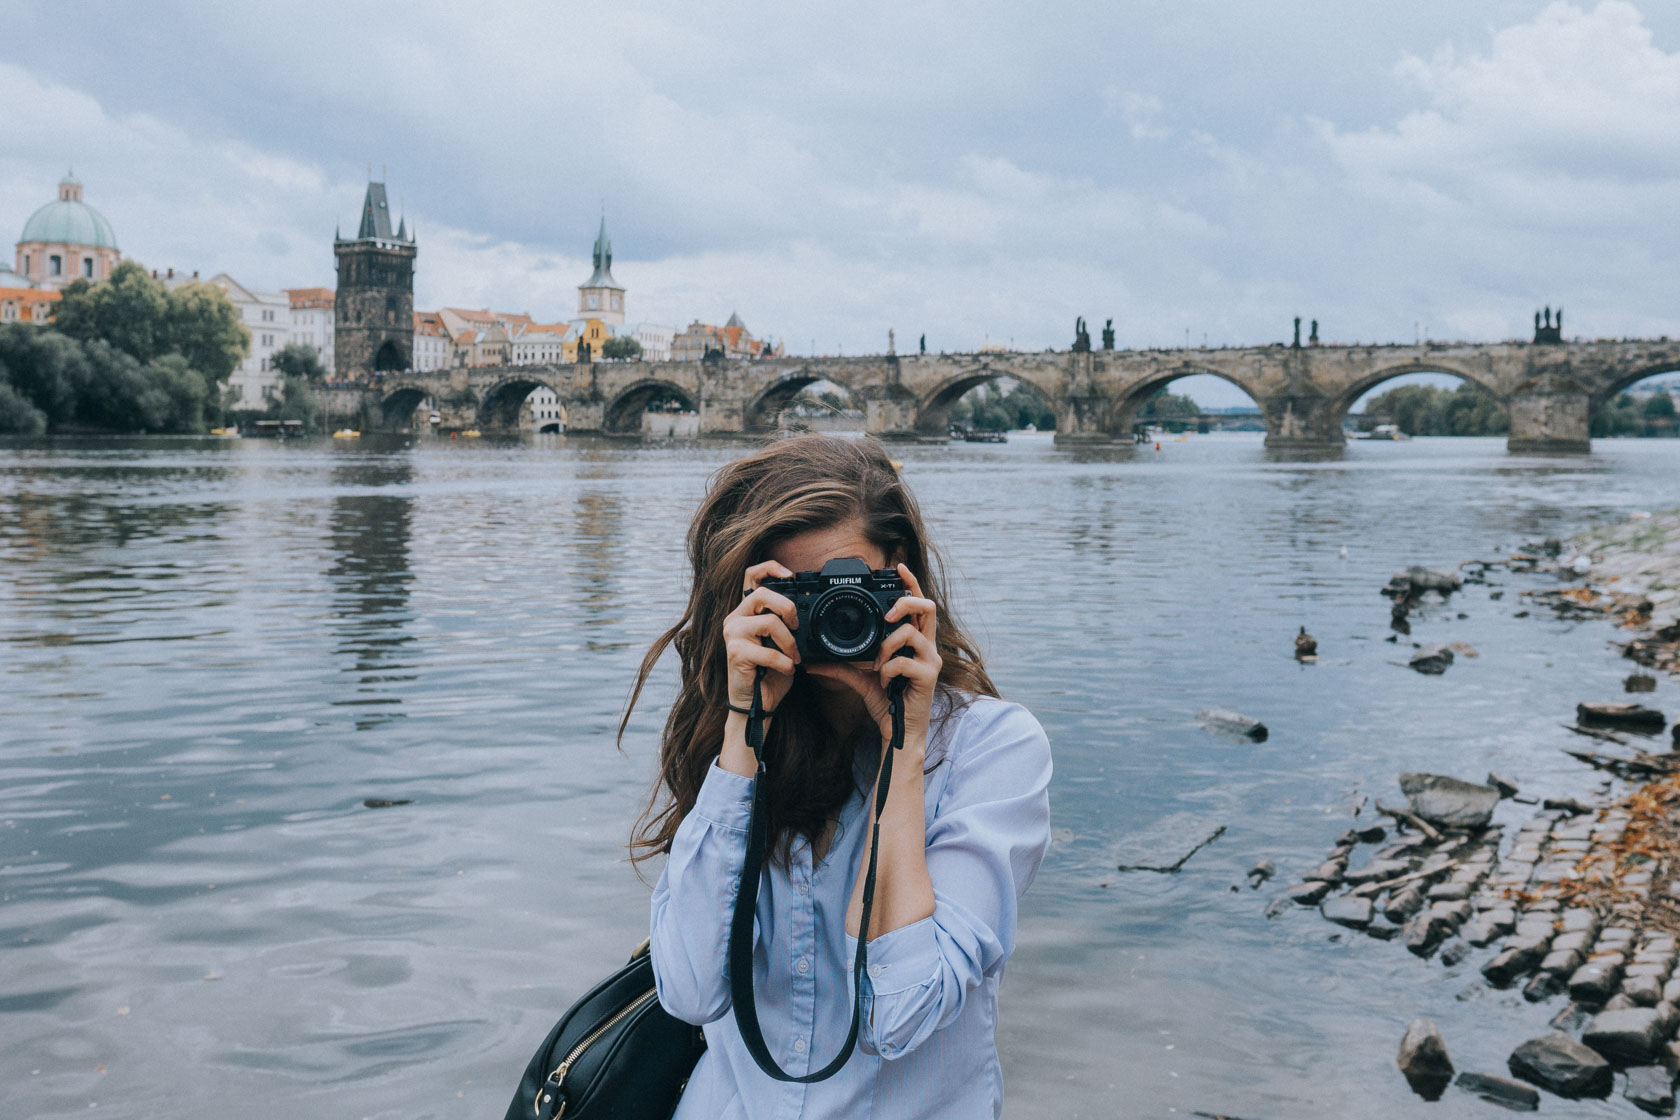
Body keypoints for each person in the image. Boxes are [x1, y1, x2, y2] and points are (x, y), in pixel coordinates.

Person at [624, 434, 1052, 1119]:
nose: (831, 616)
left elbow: (901, 1014)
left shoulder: (991, 751)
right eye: (799, 595)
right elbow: (691, 991)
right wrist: (742, 729)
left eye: (847, 587)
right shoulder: (733, 737)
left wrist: (903, 755)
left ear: (900, 576)